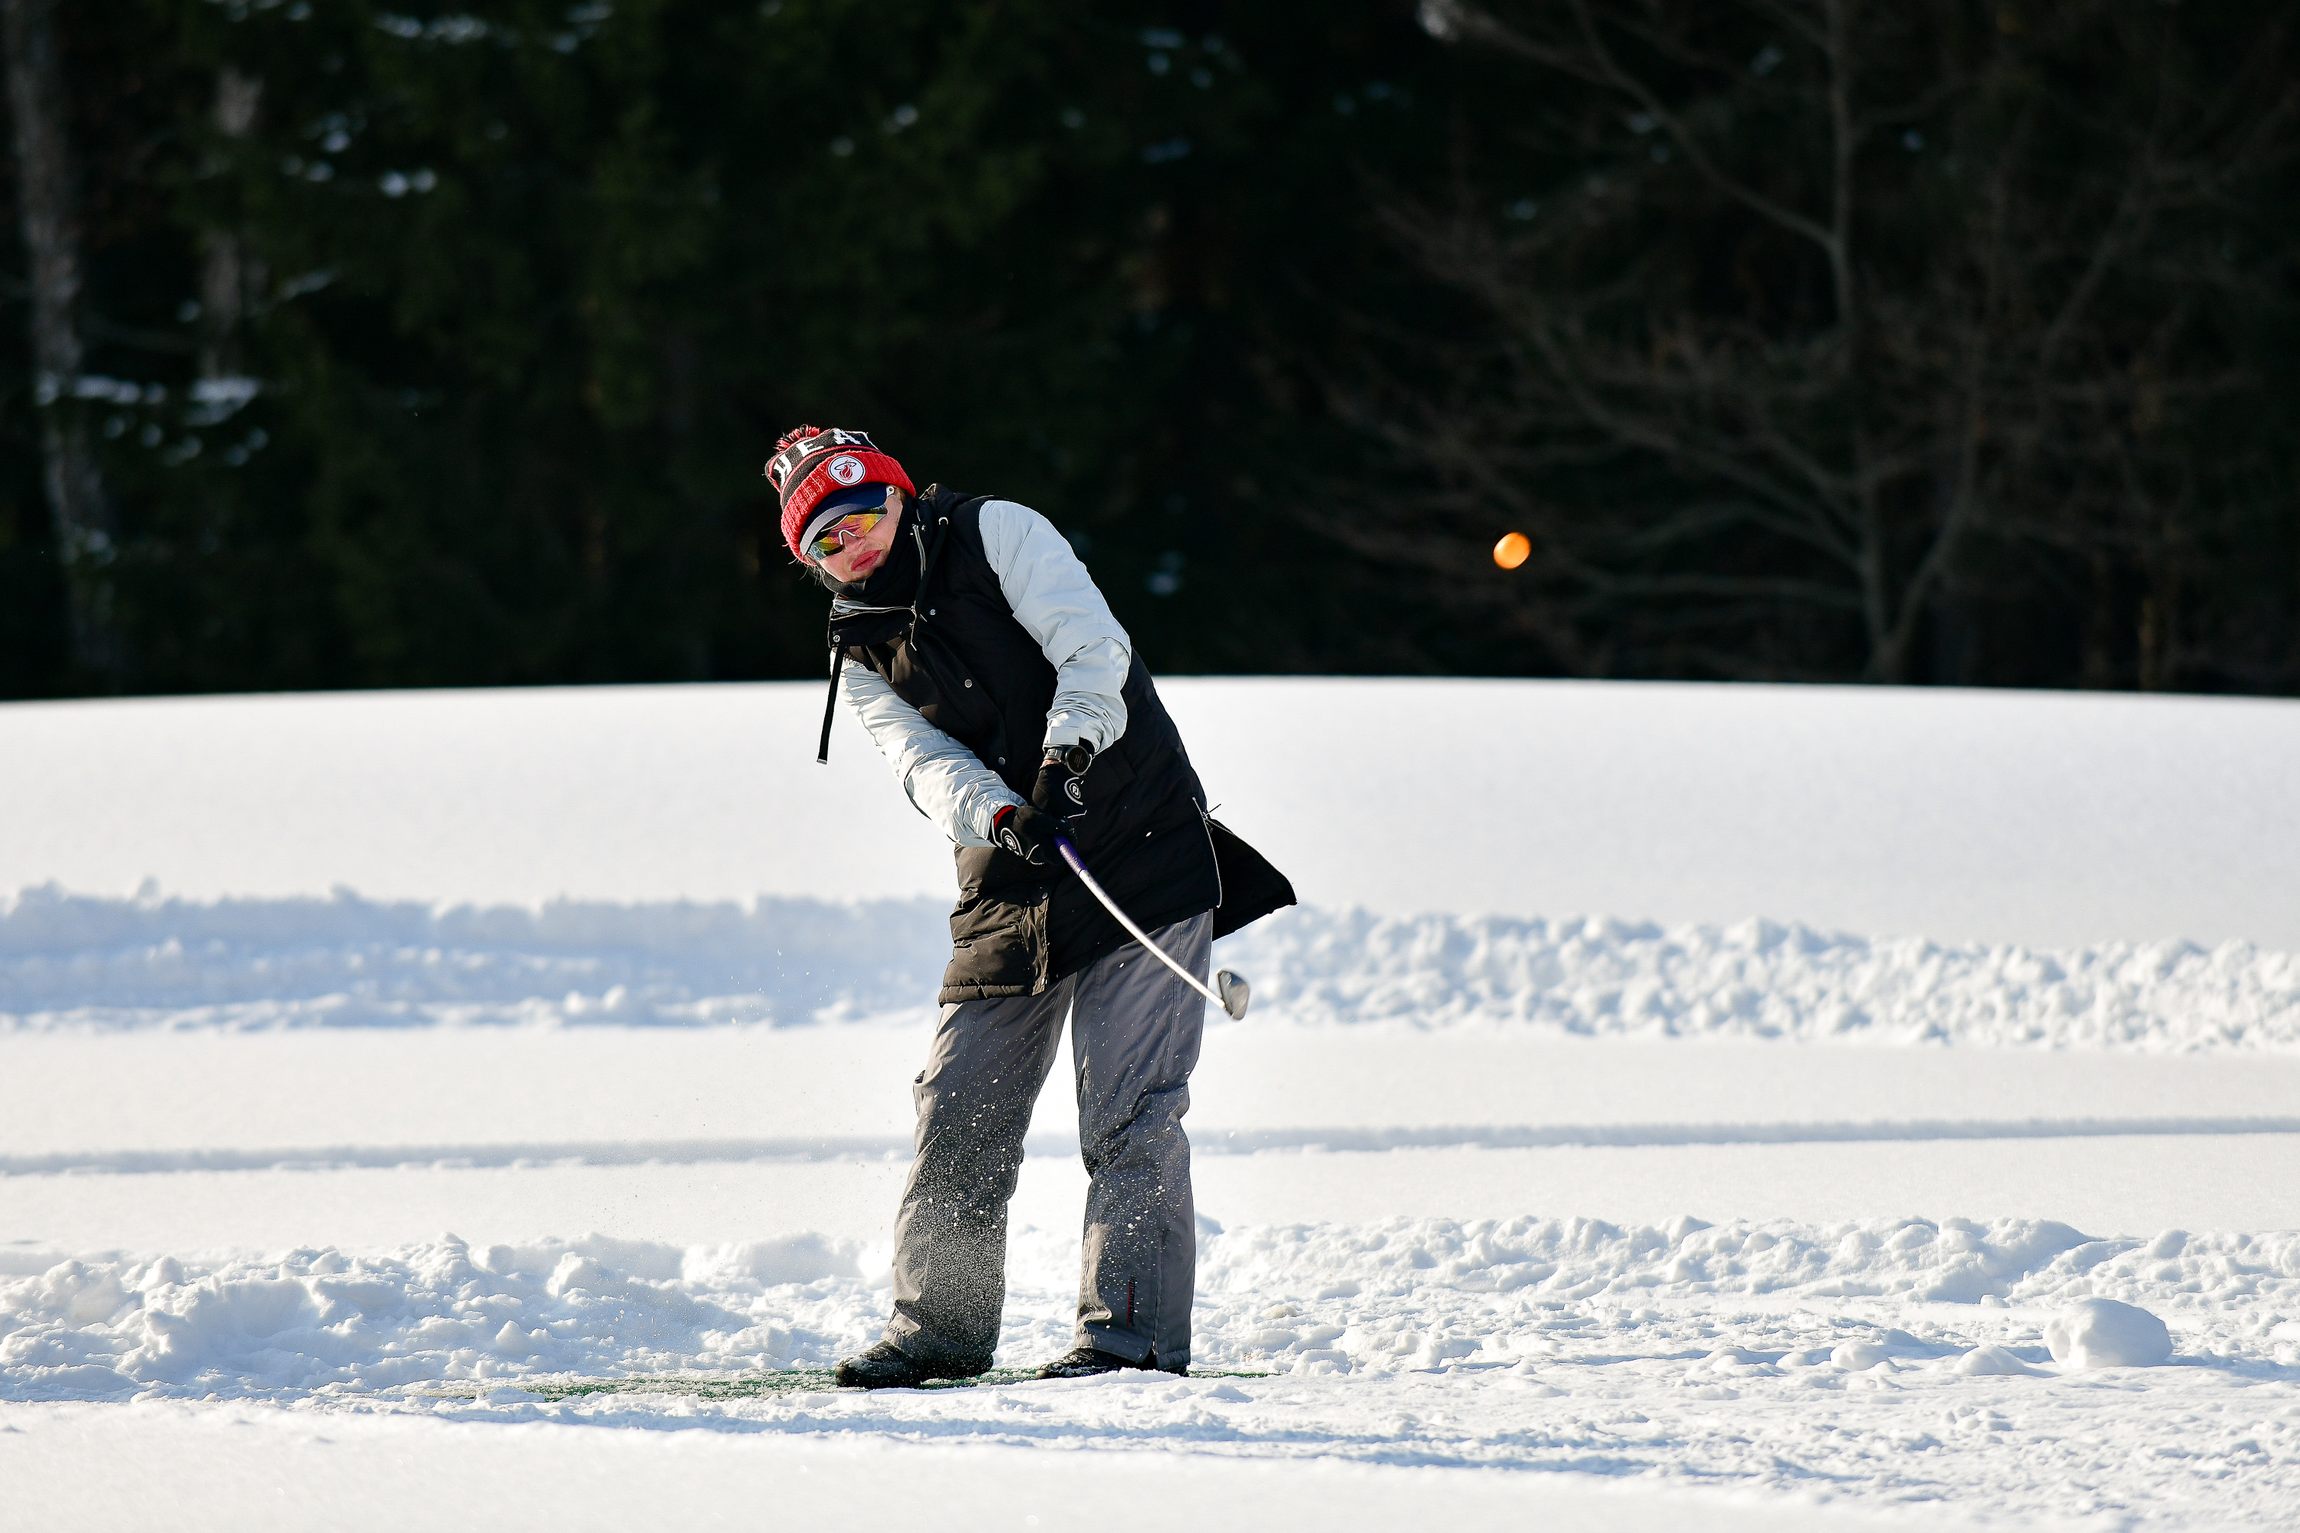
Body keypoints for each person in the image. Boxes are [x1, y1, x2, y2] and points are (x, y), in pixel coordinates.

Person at [766, 425, 1294, 1387]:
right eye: (825, 541)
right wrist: (999, 811)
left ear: (898, 496)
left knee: (1129, 1111)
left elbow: (1092, 648)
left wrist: (1068, 753)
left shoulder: (996, 531)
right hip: (1008, 875)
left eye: (862, 513)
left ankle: (1128, 1340)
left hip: (1137, 846)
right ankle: (942, 1331)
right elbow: (924, 765)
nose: (853, 543)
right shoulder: (856, 648)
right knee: (960, 1104)